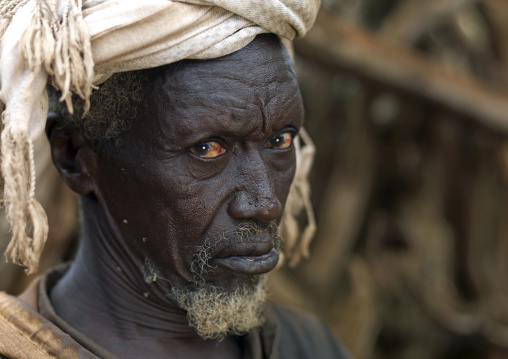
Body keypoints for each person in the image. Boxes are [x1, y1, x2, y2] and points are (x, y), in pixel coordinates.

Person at [0, 1, 349, 358]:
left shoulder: (308, 345)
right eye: (208, 149)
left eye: (280, 141)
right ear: (75, 157)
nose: (265, 204)